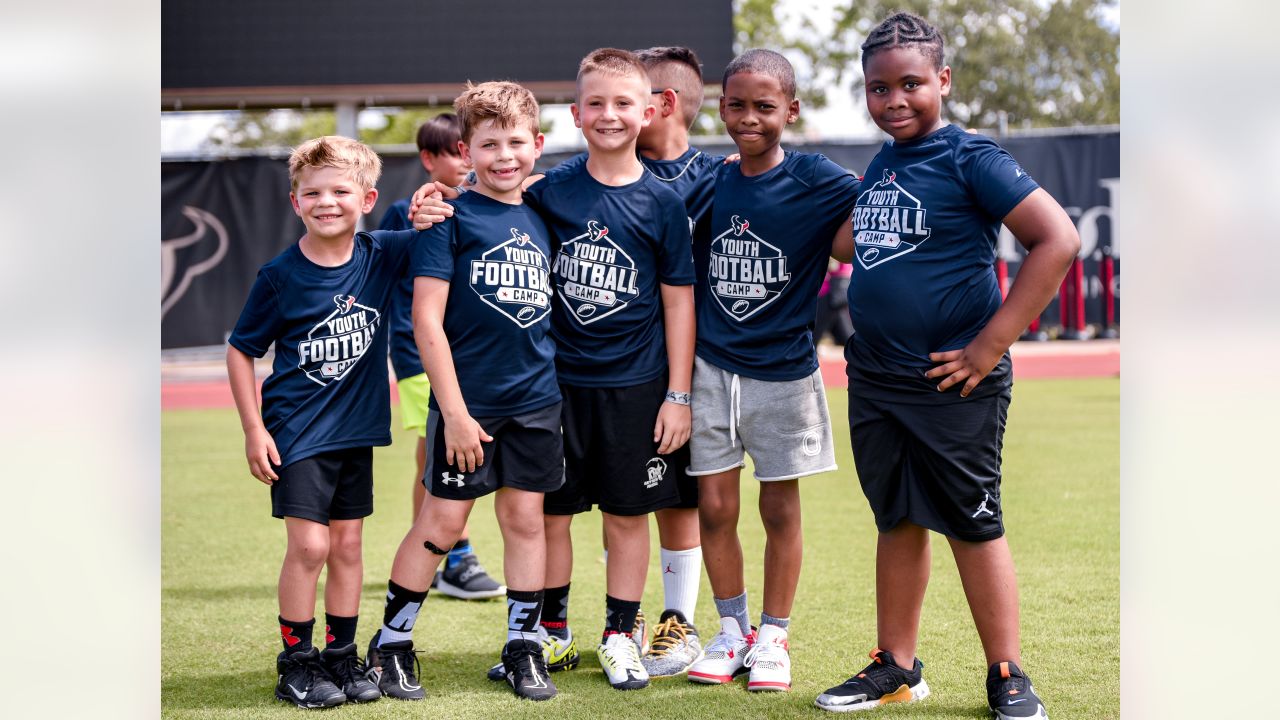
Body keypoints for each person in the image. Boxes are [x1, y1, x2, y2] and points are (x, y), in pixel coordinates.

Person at [812, 13, 1079, 720]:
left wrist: (990, 346)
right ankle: (896, 667)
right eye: (878, 88)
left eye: (910, 84)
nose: (894, 99)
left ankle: (1007, 672)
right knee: (896, 518)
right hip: (877, 378)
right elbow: (848, 245)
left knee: (972, 522)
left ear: (943, 81)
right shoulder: (882, 165)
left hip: (952, 380)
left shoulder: (971, 156)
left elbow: (1057, 239)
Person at [363, 81, 564, 702]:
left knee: (526, 521)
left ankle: (523, 647)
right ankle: (391, 644)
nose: (505, 156)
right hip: (467, 406)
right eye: (488, 145)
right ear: (465, 150)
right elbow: (426, 319)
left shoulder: (548, 209)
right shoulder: (447, 216)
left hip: (536, 399)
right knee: (441, 523)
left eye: (516, 143)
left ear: (537, 143)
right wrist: (451, 412)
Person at [517, 47, 696, 692]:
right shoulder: (549, 193)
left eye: (624, 104)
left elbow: (679, 302)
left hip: (638, 387)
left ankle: (621, 632)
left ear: (648, 112)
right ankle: (553, 634)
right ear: (575, 113)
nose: (610, 115)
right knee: (552, 516)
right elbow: (487, 208)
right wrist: (437, 197)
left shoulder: (663, 202)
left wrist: (678, 393)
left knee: (628, 515)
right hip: (556, 386)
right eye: (596, 103)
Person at [684, 49, 860, 693]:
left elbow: (875, 211)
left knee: (780, 508)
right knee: (714, 507)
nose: (749, 117)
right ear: (721, 106)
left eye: (765, 106)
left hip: (784, 373)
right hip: (709, 369)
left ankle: (774, 635)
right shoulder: (707, 180)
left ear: (790, 110)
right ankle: (732, 634)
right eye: (737, 105)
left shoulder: (821, 179)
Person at [226, 135, 411, 709]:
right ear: (295, 202)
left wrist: (434, 201)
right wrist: (254, 429)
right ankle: (296, 663)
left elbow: (442, 226)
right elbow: (240, 349)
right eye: (313, 192)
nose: (327, 201)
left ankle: (341, 657)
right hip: (296, 431)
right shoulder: (280, 276)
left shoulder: (382, 254)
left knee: (350, 546)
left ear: (368, 198)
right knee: (310, 547)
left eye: (340, 190)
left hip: (356, 430)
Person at [378, 114, 504, 601]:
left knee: (433, 455)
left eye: (466, 149)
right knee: (437, 453)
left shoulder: (485, 209)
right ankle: (454, 555)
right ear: (430, 160)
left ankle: (442, 557)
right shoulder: (410, 211)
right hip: (417, 353)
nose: (464, 161)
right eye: (454, 152)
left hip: (466, 355)